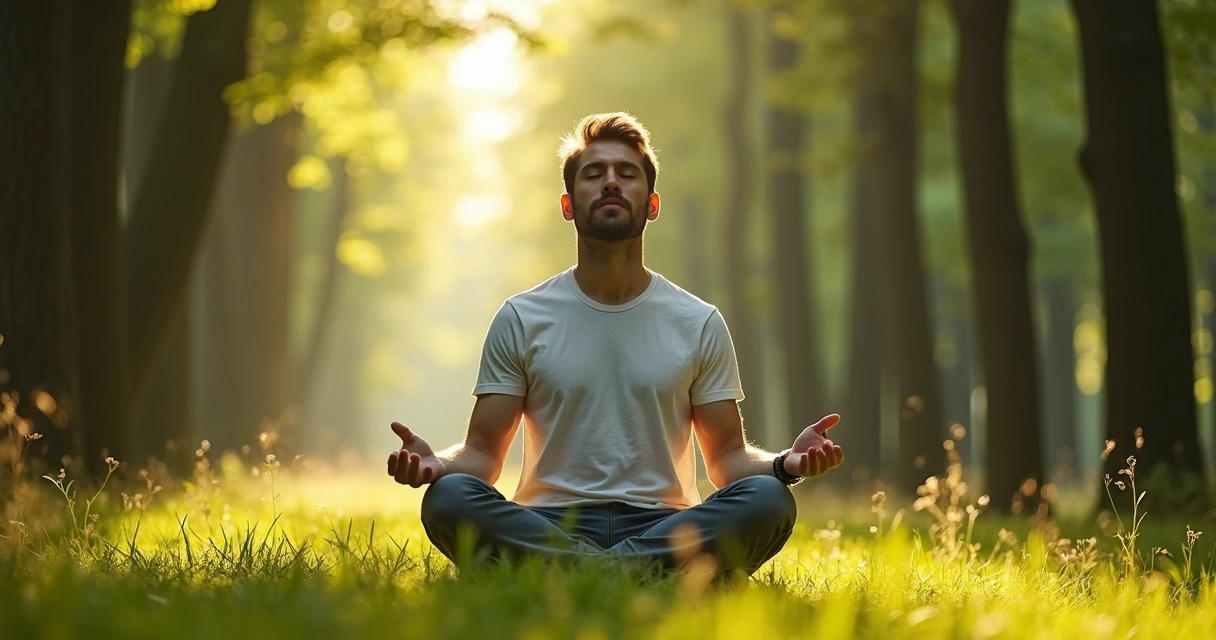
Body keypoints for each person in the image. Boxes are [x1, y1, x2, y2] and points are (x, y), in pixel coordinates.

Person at [386, 112, 844, 576]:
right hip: (548, 522)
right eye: (593, 174)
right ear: (568, 205)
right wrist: (436, 464)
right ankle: (637, 571)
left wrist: (788, 464)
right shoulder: (522, 317)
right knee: (449, 497)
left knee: (768, 499)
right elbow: (482, 453)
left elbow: (726, 458)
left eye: (626, 174)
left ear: (651, 204)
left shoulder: (698, 321)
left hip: (667, 525)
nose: (610, 182)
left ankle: (577, 571)